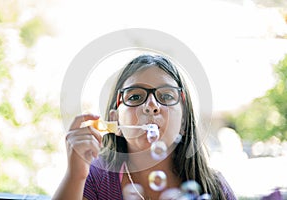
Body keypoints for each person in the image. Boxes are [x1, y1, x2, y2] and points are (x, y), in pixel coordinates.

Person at [53, 54, 237, 200]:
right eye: (135, 97)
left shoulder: (214, 188)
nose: (151, 105)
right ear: (114, 120)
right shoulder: (96, 179)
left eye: (166, 96)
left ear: (183, 122)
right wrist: (75, 176)